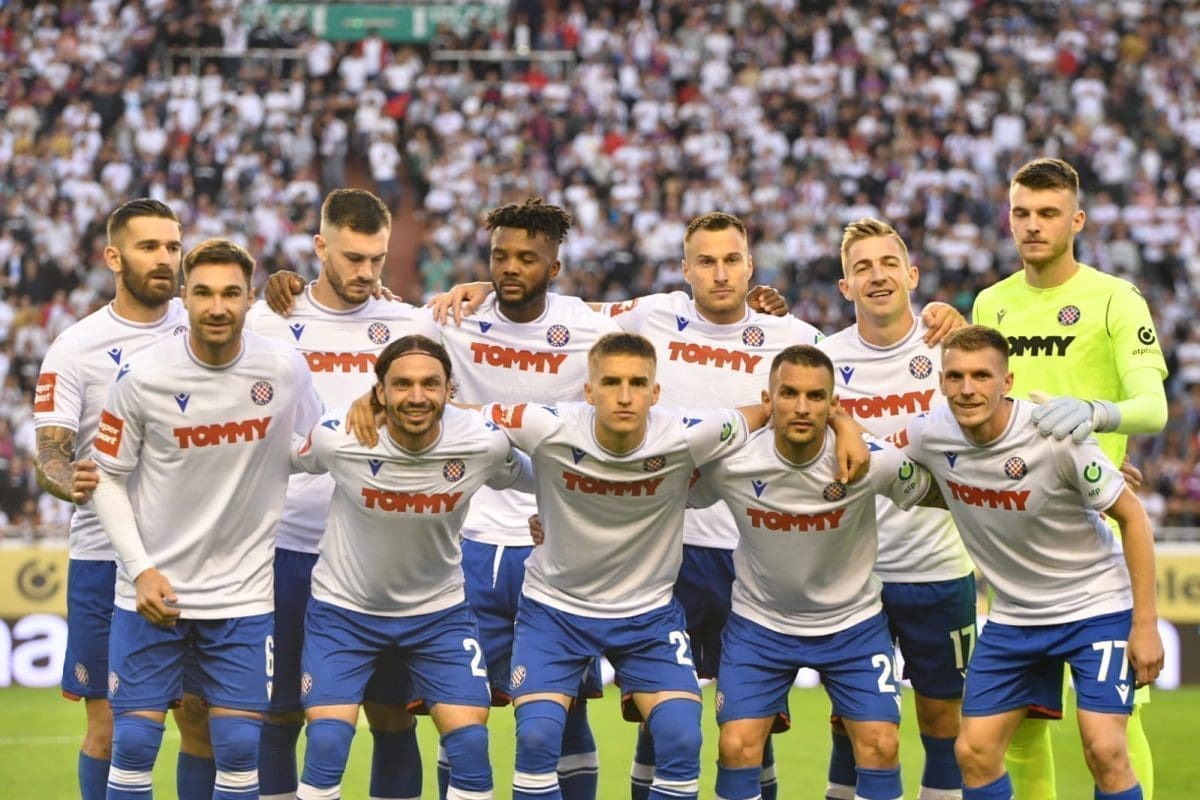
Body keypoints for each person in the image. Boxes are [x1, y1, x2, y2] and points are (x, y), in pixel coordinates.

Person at [272, 196, 617, 798]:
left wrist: (576, 510)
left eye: (526, 259)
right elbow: (283, 450)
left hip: (520, 555)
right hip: (397, 552)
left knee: (549, 715)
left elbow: (671, 332)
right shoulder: (427, 323)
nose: (511, 267)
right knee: (317, 721)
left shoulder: (576, 331)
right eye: (500, 257)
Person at [478, 332, 768, 800]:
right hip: (554, 611)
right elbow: (462, 415)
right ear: (589, 391)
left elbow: (764, 413)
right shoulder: (546, 424)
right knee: (536, 738)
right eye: (611, 382)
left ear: (656, 392)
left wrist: (845, 426)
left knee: (682, 737)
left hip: (647, 616)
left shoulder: (686, 433)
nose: (625, 395)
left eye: (638, 383)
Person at [80, 238, 321, 799]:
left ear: (249, 298)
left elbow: (313, 446)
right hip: (152, 593)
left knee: (238, 748)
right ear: (184, 298)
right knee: (133, 744)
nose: (217, 307)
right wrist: (140, 570)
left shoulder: (284, 367)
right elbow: (107, 478)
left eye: (231, 294)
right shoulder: (142, 375)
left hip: (243, 597)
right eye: (205, 294)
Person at [971, 158, 1169, 799]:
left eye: (1048, 213)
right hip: (1016, 535)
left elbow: (1153, 407)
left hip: (1097, 526)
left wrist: (1094, 414)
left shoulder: (1115, 298)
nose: (1033, 225)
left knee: (1114, 730)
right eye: (1022, 213)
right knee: (1022, 729)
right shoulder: (991, 302)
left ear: (1076, 220)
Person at [904, 325, 1163, 800]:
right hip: (1016, 617)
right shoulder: (930, 434)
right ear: (940, 382)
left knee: (1106, 749)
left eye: (982, 376)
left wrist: (1145, 625)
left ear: (1007, 382)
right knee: (974, 752)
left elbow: (1134, 518)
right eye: (955, 377)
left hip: (1095, 607)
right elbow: (889, 464)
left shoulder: (1054, 435)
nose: (967, 389)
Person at [248, 188, 437, 800]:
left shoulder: (410, 324)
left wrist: (473, 288)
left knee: (391, 714)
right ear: (320, 247)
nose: (366, 272)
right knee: (278, 713)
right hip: (285, 547)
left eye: (377, 259)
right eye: (353, 258)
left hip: (379, 555)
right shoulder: (267, 320)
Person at [691, 344, 937, 800]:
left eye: (815, 396)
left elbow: (940, 493)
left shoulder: (871, 459)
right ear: (768, 401)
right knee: (736, 745)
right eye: (789, 393)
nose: (802, 407)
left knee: (882, 746)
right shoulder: (731, 462)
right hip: (760, 625)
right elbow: (661, 493)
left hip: (853, 624)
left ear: (833, 404)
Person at [293, 335, 530, 800]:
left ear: (448, 390)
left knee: (470, 745)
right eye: (402, 384)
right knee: (327, 742)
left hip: (438, 615)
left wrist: (554, 520)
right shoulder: (338, 437)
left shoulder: (482, 441)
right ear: (379, 391)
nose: (417, 396)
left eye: (430, 384)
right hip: (343, 612)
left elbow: (545, 478)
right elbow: (283, 459)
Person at [32, 199, 209, 800]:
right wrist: (70, 479)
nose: (164, 259)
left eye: (172, 246)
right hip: (104, 557)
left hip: (196, 554)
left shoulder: (210, 322)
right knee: (108, 729)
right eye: (148, 247)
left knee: (199, 720)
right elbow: (50, 451)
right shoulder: (75, 346)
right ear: (113, 257)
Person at [819, 218, 975, 800]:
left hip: (938, 569)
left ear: (911, 275)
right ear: (845, 287)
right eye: (862, 267)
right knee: (852, 724)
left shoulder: (952, 350)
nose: (877, 276)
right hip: (854, 576)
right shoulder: (823, 358)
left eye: (888, 264)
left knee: (944, 722)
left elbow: (1006, 422)